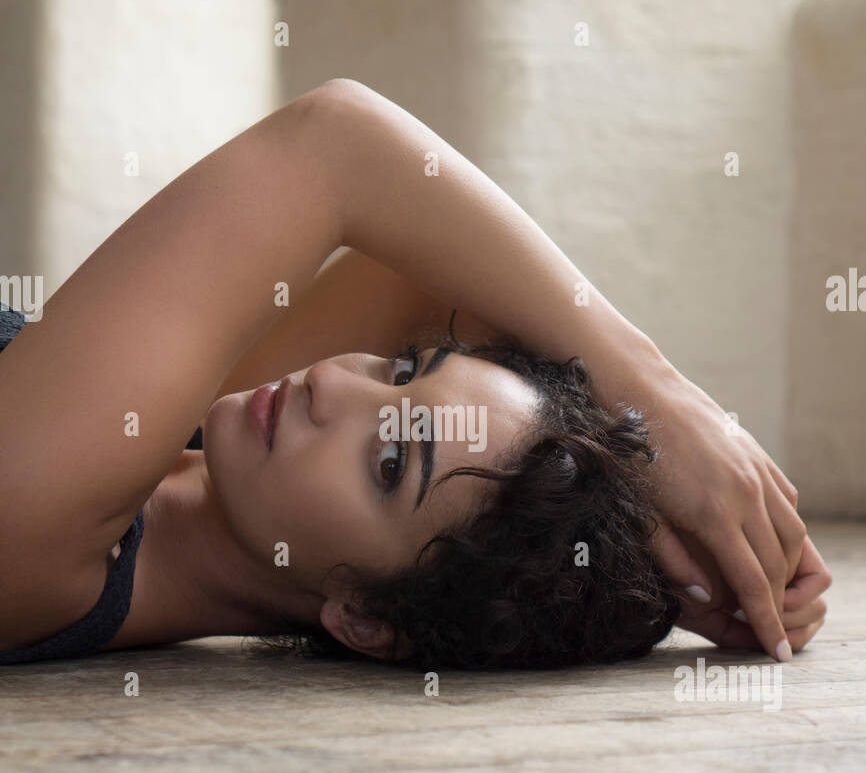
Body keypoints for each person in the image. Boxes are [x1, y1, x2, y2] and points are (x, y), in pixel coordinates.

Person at [0, 79, 830, 667]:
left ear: (362, 618)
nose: (333, 386)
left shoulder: (33, 517)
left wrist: (653, 393)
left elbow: (335, 143)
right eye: (402, 373)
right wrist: (646, 518)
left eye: (391, 463)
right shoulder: (207, 447)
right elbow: (424, 280)